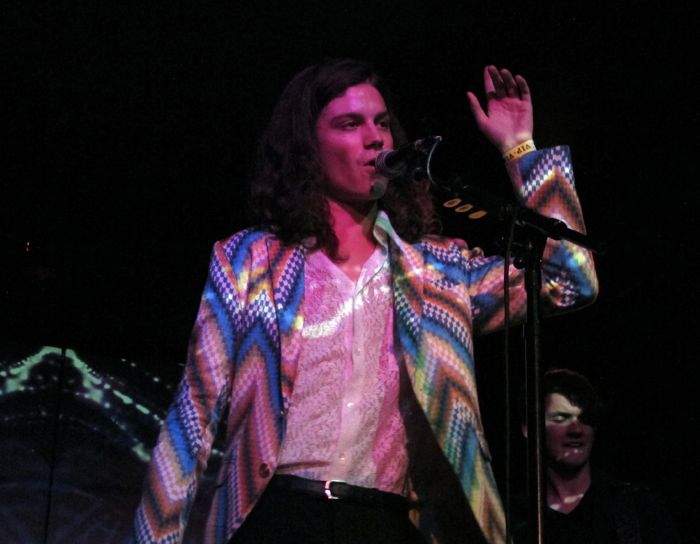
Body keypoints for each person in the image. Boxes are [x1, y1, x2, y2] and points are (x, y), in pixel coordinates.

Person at [130, 58, 598, 544]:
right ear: (307, 146)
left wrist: (519, 148)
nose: (375, 138)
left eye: (382, 123)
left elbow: (570, 280)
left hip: (385, 522)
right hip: (275, 517)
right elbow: (193, 416)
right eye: (350, 124)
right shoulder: (249, 261)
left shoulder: (437, 272)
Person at [514, 369, 680, 543]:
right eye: (561, 418)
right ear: (528, 429)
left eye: (585, 419)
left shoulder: (637, 508)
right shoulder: (513, 518)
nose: (577, 430)